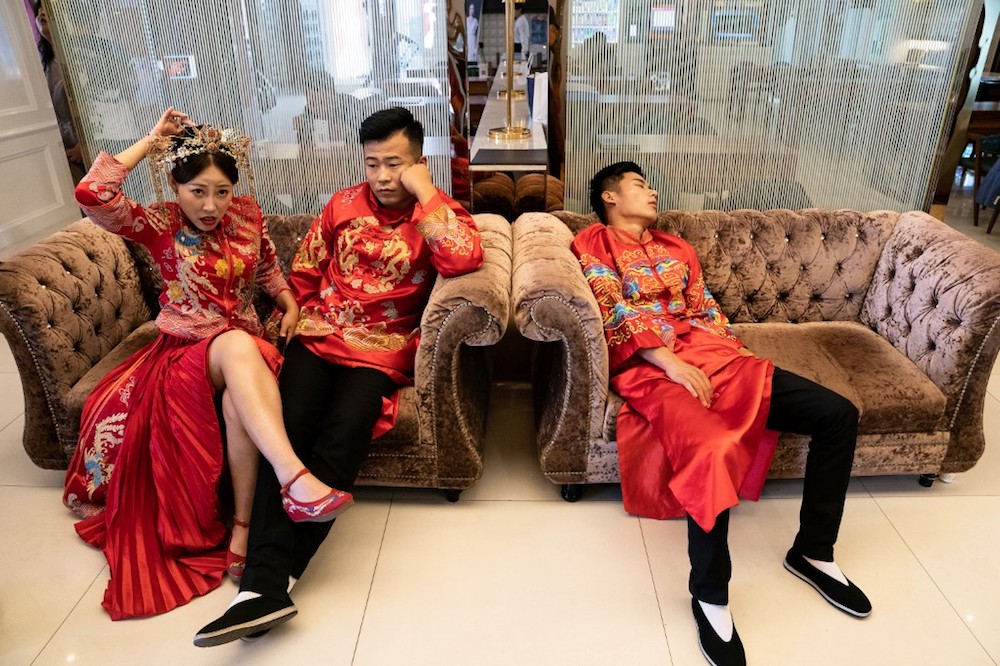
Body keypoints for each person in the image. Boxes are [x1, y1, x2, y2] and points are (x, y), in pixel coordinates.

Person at [193, 107, 483, 647]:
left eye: (395, 164)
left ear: (419, 162)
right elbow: (304, 270)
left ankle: (266, 581)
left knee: (346, 431)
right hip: (319, 334)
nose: (381, 176)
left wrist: (426, 192)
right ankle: (267, 583)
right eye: (372, 163)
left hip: (382, 348)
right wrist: (292, 311)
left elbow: (463, 260)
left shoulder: (439, 212)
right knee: (290, 428)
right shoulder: (342, 205)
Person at [572, 162, 871, 666]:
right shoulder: (594, 243)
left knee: (837, 413)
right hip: (650, 366)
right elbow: (611, 309)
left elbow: (705, 307)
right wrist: (668, 363)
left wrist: (731, 356)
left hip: (717, 358)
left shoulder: (677, 247)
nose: (652, 192)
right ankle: (710, 596)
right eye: (640, 185)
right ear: (608, 196)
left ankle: (814, 552)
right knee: (710, 449)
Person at [63, 107, 353, 620]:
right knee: (239, 350)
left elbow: (265, 265)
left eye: (221, 191)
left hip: (244, 346)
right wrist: (152, 139)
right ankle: (294, 479)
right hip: (183, 353)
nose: (211, 205)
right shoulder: (158, 223)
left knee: (242, 382)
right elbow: (92, 193)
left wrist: (286, 299)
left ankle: (243, 527)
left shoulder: (246, 214)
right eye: (197, 190)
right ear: (176, 186)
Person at [32, 1, 85, 183]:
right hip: (63, 148)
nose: (42, 14)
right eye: (39, 10)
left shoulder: (80, 55)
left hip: (88, 144)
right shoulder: (45, 62)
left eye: (48, 10)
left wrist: (84, 144)